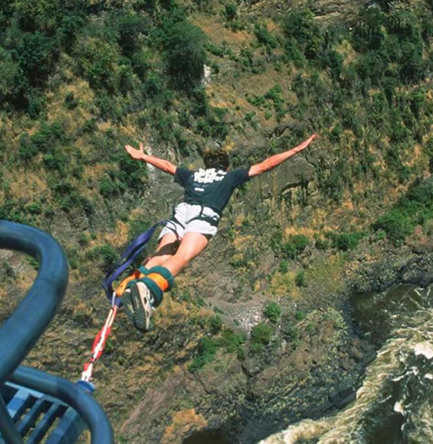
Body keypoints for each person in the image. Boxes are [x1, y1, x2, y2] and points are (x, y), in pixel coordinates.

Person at [118, 134, 317, 331]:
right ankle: (150, 288)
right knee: (182, 257)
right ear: (226, 167)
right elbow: (265, 165)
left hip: (182, 212)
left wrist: (143, 157)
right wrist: (296, 150)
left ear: (207, 166)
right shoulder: (229, 176)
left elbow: (168, 167)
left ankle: (129, 284)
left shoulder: (193, 175)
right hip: (203, 215)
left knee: (160, 256)